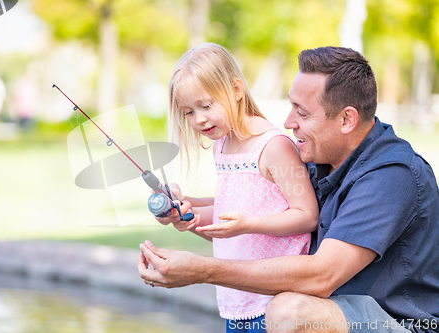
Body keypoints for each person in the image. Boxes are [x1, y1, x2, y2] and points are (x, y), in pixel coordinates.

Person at [138, 46, 439, 333]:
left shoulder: (391, 178)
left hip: (396, 322)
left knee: (289, 312)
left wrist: (203, 270)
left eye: (302, 112)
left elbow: (323, 274)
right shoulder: (322, 156)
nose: (287, 122)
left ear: (347, 119)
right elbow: (250, 202)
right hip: (337, 309)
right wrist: (185, 206)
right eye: (291, 105)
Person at [153, 43, 319, 332]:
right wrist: (185, 212)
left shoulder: (274, 146)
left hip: (277, 304)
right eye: (188, 111)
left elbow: (307, 215)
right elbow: (230, 213)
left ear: (237, 90)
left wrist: (249, 225)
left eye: (206, 105)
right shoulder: (223, 144)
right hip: (237, 300)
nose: (199, 119)